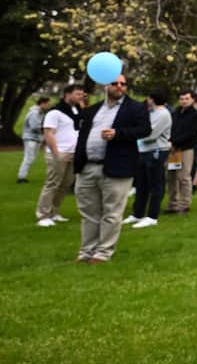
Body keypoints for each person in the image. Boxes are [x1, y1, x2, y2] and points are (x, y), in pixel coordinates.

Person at [73, 74, 150, 264]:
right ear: (106, 85)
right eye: (115, 83)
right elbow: (79, 129)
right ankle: (86, 251)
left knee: (112, 213)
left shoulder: (135, 108)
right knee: (89, 213)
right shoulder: (93, 110)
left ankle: (103, 252)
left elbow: (144, 130)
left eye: (123, 84)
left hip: (117, 167)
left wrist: (118, 134)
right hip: (88, 166)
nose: (119, 87)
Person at [35, 84, 84, 227]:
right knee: (52, 184)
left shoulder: (76, 110)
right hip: (59, 153)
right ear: (67, 95)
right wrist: (56, 153)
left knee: (65, 184)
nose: (80, 97)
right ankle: (43, 215)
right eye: (77, 94)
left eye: (82, 94)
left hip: (73, 153)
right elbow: (48, 133)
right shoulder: (54, 112)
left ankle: (54, 212)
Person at [123, 90, 172, 229]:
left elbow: (150, 133)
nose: (146, 101)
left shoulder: (163, 114)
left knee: (155, 184)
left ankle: (152, 216)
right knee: (141, 184)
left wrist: (132, 136)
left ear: (152, 99)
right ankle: (137, 213)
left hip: (156, 152)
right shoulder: (152, 112)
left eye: (148, 98)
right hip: (144, 151)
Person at [165, 90, 197, 214]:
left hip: (185, 149)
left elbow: (191, 133)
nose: (184, 101)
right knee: (171, 177)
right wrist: (170, 142)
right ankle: (172, 204)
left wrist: (175, 142)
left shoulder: (195, 115)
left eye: (186, 98)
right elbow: (170, 129)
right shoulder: (175, 113)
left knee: (184, 177)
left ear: (192, 100)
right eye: (182, 99)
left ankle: (185, 205)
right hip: (173, 149)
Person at [19, 96, 51, 183]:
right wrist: (47, 130)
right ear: (42, 103)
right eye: (47, 104)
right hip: (30, 138)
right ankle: (21, 177)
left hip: (36, 139)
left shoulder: (40, 113)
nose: (48, 106)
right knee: (28, 158)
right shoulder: (34, 113)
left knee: (31, 158)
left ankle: (22, 176)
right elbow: (34, 126)